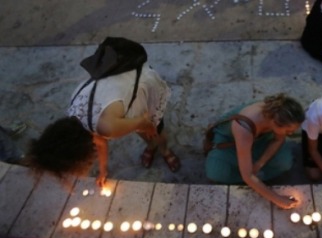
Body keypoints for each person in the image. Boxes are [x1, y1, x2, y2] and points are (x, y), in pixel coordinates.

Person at [25, 64, 180, 186]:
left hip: (140, 84)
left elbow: (143, 120)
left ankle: (163, 150)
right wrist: (103, 171)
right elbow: (99, 140)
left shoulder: (108, 127)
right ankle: (151, 145)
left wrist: (151, 128)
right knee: (141, 130)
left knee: (156, 134)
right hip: (120, 89)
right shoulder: (75, 114)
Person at [205, 93, 305, 209]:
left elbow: (278, 140)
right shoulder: (244, 127)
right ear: (274, 122)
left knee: (285, 163)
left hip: (259, 139)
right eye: (288, 131)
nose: (291, 134)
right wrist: (277, 199)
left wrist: (259, 163)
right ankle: (253, 177)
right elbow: (247, 176)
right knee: (216, 173)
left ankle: (254, 175)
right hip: (231, 142)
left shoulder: (278, 114)